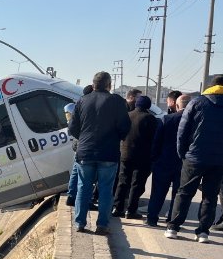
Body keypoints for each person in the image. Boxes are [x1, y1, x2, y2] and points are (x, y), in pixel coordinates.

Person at [165, 75, 223, 243]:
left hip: (194, 157)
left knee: (184, 193)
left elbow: (182, 132)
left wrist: (183, 153)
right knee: (210, 196)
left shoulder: (197, 103)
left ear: (211, 86)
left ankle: (173, 228)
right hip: (221, 159)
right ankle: (203, 232)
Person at [68, 71, 131, 235]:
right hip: (108, 153)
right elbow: (125, 127)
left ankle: (80, 223)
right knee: (105, 189)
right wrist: (116, 137)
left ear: (93, 84)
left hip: (85, 152)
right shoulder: (117, 101)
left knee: (83, 187)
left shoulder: (82, 100)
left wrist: (84, 137)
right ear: (109, 85)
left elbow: (72, 129)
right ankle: (102, 225)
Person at [146, 94, 190, 226]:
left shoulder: (166, 119)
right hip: (184, 164)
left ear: (177, 106)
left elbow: (156, 142)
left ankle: (152, 218)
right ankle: (172, 219)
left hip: (163, 162)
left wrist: (154, 159)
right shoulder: (196, 122)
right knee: (178, 195)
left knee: (158, 192)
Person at [113, 96, 158, 219]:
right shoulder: (150, 118)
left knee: (122, 181)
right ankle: (131, 210)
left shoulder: (127, 115)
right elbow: (154, 138)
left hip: (125, 154)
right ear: (148, 106)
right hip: (143, 156)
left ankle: (117, 208)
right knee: (137, 183)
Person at [65, 85, 94, 207]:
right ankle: (86, 201)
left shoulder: (78, 105)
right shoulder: (88, 106)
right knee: (86, 177)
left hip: (78, 143)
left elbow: (72, 127)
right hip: (85, 143)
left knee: (76, 171)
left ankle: (71, 196)